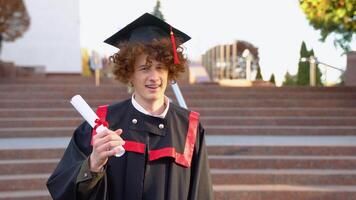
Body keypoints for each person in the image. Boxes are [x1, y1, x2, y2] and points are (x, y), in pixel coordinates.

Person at [47, 13, 213, 200]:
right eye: (144, 68)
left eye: (160, 67)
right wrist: (92, 165)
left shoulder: (189, 127)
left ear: (170, 71)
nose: (154, 77)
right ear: (130, 74)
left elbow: (201, 193)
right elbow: (62, 189)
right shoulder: (101, 124)